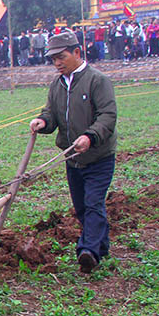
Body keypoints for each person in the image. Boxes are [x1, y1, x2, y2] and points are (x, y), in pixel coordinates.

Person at [29, 31, 117, 274]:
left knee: (93, 203)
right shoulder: (57, 85)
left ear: (77, 52)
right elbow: (52, 114)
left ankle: (88, 251)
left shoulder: (97, 81)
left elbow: (108, 116)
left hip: (98, 156)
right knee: (81, 207)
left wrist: (90, 136)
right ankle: (102, 247)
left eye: (61, 57)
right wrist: (43, 122)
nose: (57, 62)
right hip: (73, 159)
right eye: (53, 58)